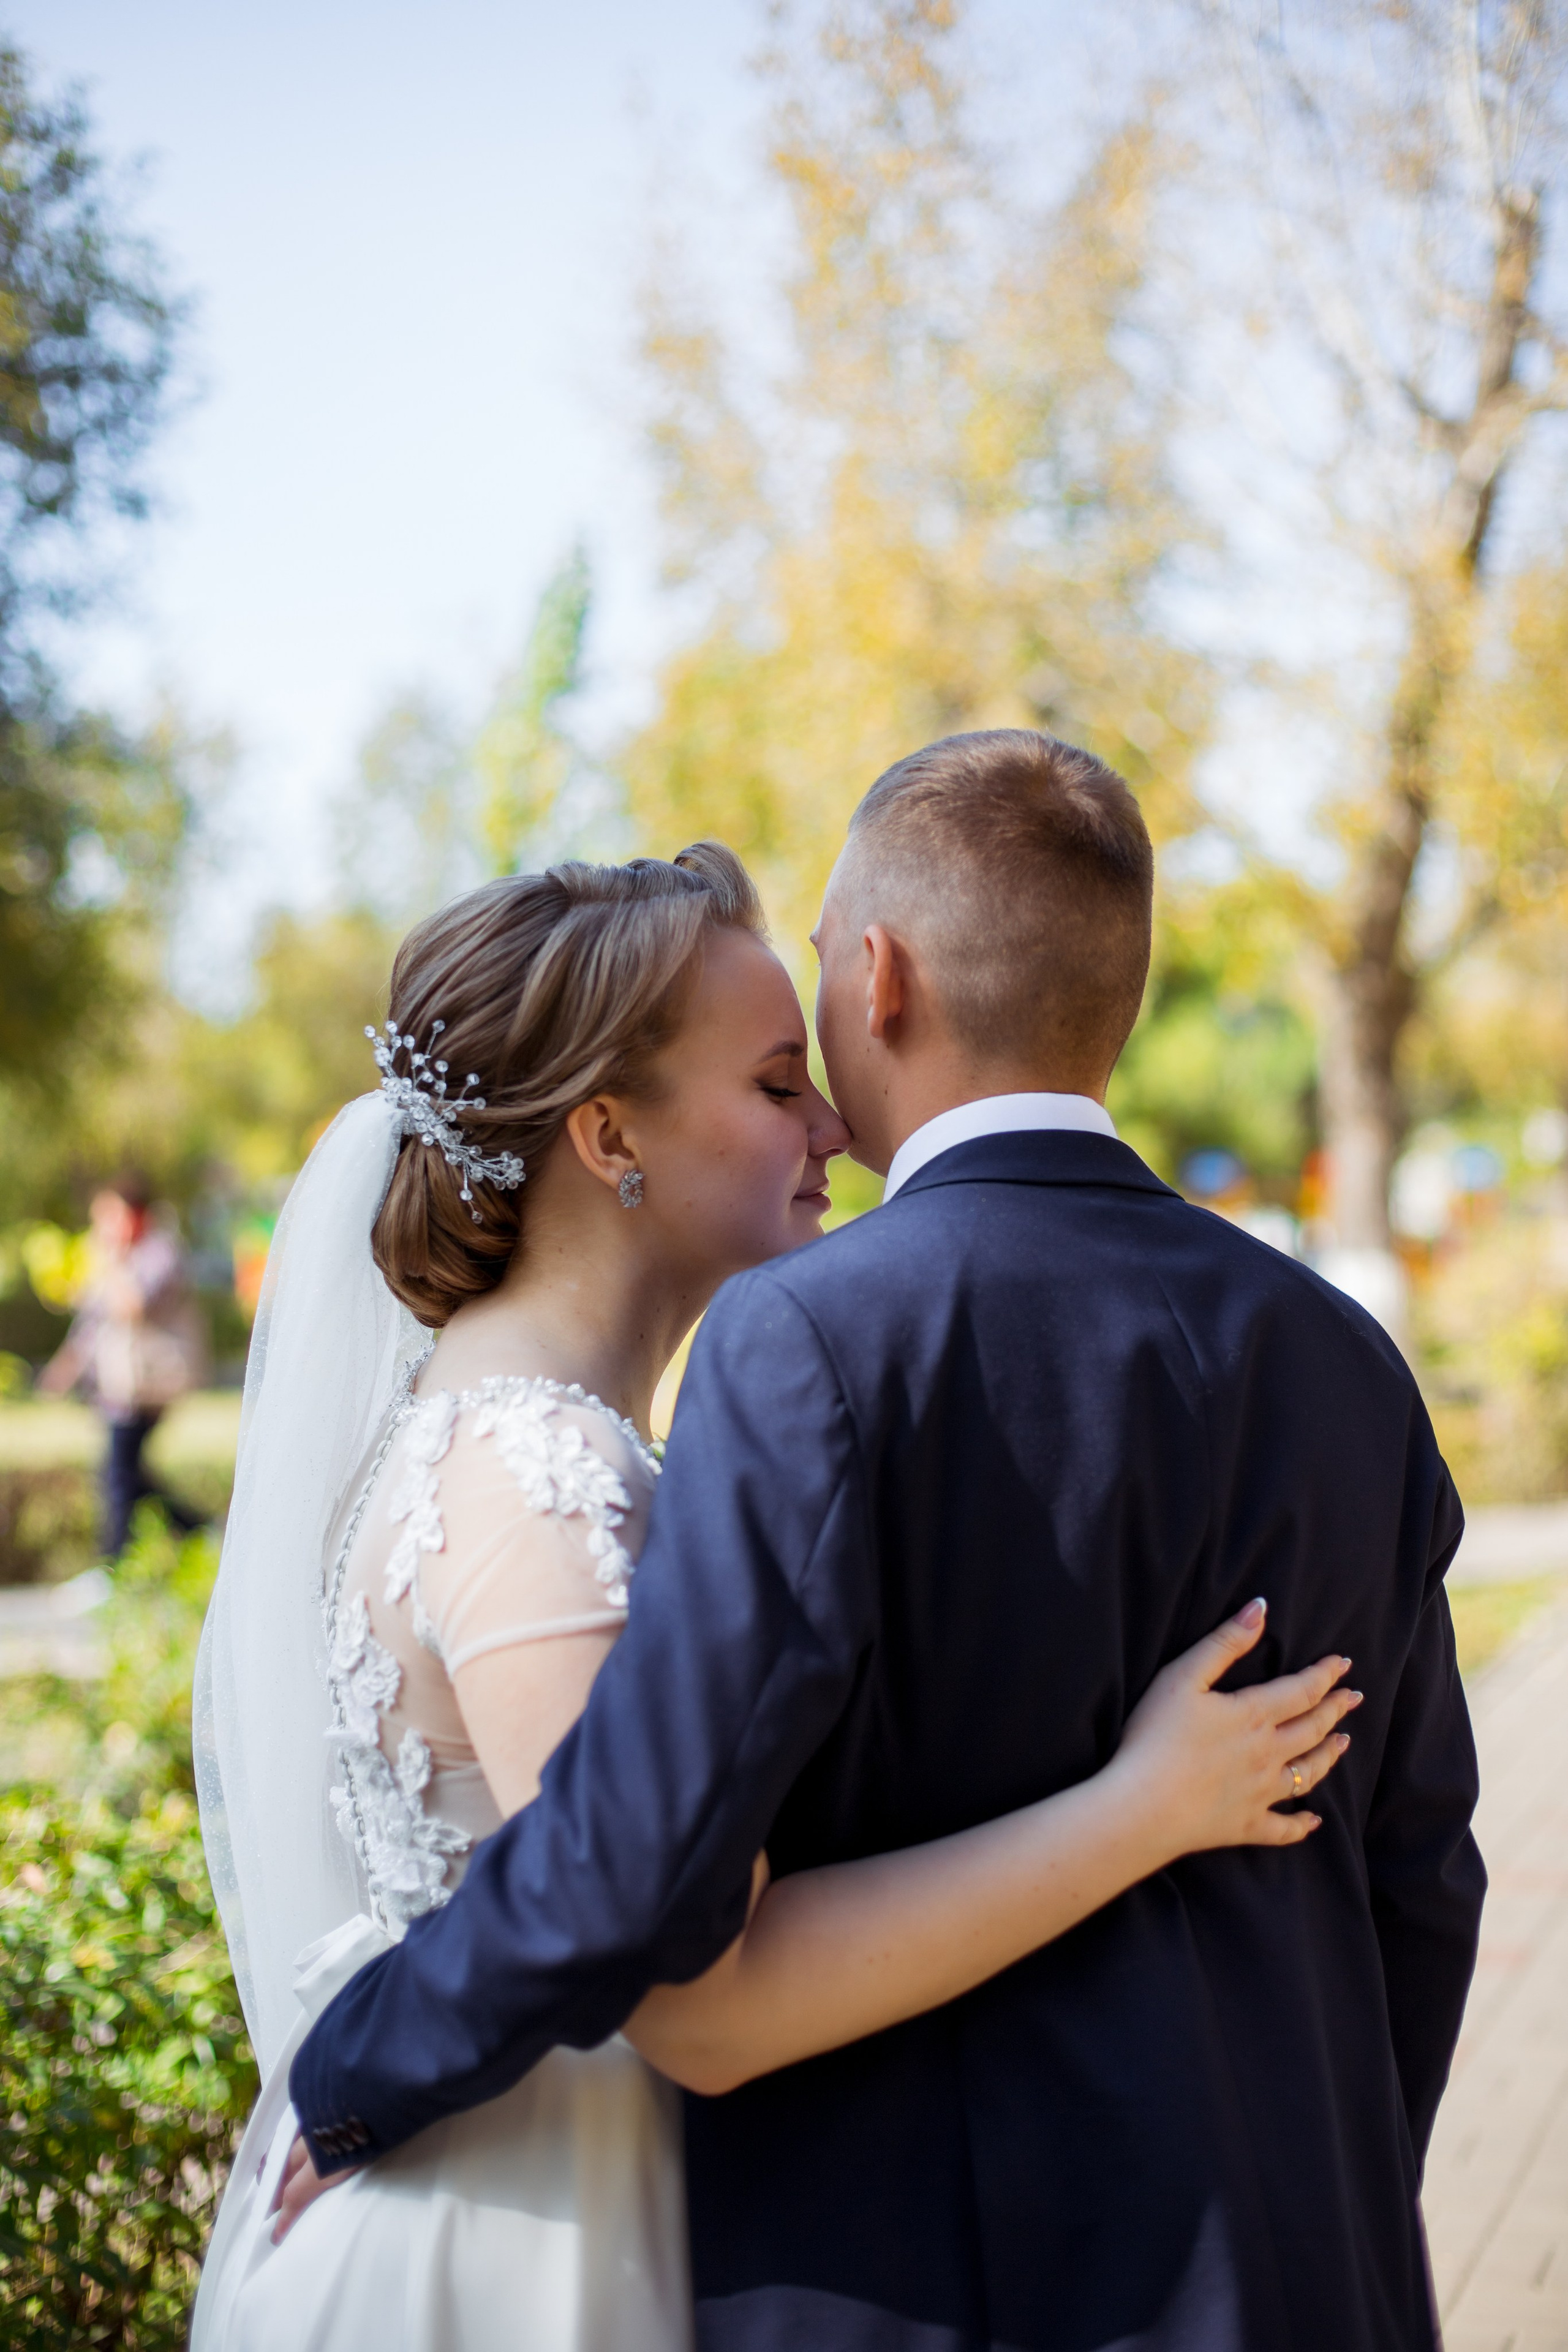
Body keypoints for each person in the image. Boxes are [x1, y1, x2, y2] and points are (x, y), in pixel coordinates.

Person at [192, 819, 1359, 2352]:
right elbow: (703, 1996)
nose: (832, 1119)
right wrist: (1136, 1807)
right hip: (516, 2250)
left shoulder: (553, 1437)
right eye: (769, 1083)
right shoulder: (528, 1478)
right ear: (608, 1137)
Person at [39, 1173, 206, 1557]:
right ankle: (200, 1529)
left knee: (117, 1476)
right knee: (128, 1477)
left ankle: (114, 1564)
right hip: (118, 1387)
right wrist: (63, 1372)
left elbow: (131, 1307)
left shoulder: (159, 1253)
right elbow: (92, 1326)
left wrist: (111, 1260)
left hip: (148, 1386)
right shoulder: (120, 1259)